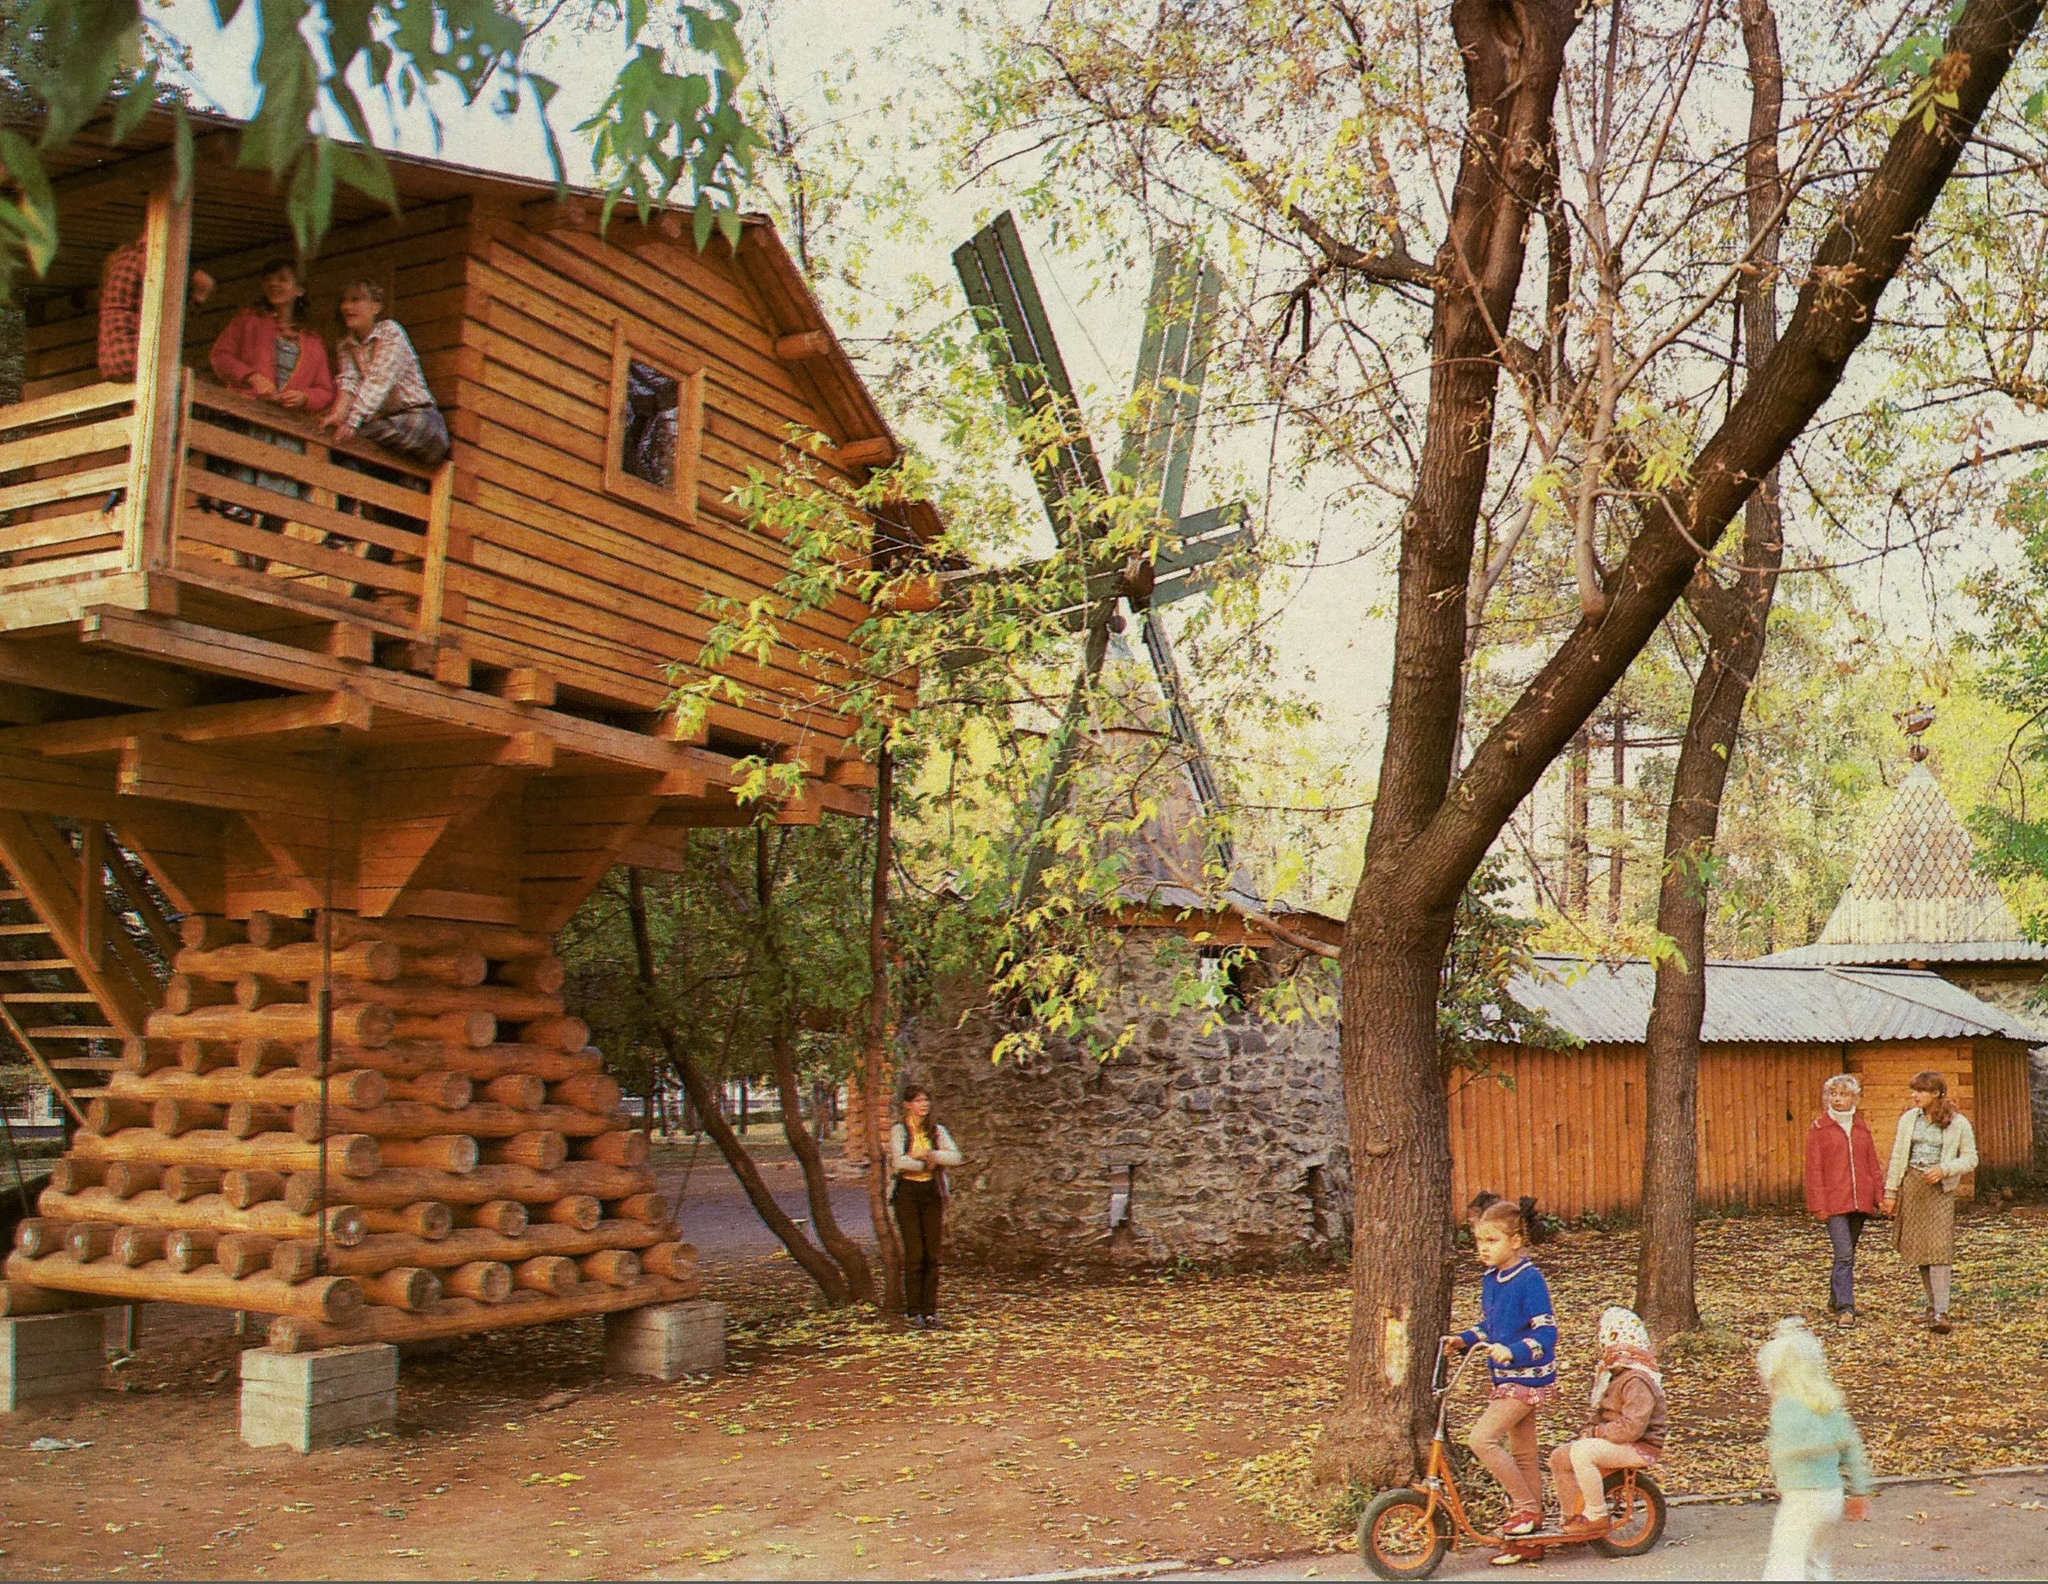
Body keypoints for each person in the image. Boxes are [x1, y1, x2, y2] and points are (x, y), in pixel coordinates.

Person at [1447, 1197, 1557, 1555]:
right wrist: (1463, 1340)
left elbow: (1546, 1333)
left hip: (1527, 1377)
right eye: (1479, 1242)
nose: (1484, 1249)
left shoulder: (1529, 1279)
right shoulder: (1491, 1280)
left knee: (1481, 1439)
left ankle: (1526, 1509)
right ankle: (1530, 1540)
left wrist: (1514, 1350)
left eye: (1492, 1241)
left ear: (1515, 1241)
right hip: (1505, 1378)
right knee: (1523, 1453)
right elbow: (1490, 1327)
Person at [206, 259, 335, 533]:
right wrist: (251, 377)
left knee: (278, 507)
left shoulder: (312, 341)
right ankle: (243, 566)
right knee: (240, 502)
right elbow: (220, 357)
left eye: (282, 278)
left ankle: (255, 570)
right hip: (250, 423)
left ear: (299, 289)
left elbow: (325, 391)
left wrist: (303, 398)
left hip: (286, 434)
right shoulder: (248, 320)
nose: (274, 284)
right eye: (268, 279)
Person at [1757, 1319, 1872, 1580]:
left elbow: (1794, 1446)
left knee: (1785, 1563)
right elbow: (1851, 1447)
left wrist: (1785, 1457)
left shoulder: (1787, 1406)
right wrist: (1859, 1491)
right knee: (1816, 1562)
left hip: (1802, 1496)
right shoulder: (1828, 1401)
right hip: (1831, 1495)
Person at [1546, 1306, 1667, 1539]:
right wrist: (1591, 1429)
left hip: (1639, 1446)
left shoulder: (1637, 1380)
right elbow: (1602, 1413)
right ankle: (1573, 1516)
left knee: (1583, 1453)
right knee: (1560, 1456)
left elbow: (1632, 1428)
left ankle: (1596, 1514)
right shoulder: (1615, 1376)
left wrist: (1596, 1433)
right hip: (1620, 1441)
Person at [1880, 1070, 1978, 1334]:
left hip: (1939, 1190)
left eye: (1920, 1091)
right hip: (1913, 1185)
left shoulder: (1957, 1122)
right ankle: (1933, 1307)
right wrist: (1890, 1192)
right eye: (1913, 1090)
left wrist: (1945, 1169)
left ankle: (1943, 1311)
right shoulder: (1908, 1119)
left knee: (1939, 1249)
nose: (1914, 1096)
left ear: (1935, 1093)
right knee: (1920, 1248)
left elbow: (1971, 1158)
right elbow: (1898, 1156)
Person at [321, 278, 449, 466]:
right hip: (385, 426)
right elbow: (349, 383)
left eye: (356, 300)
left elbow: (378, 382)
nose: (347, 307)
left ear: (376, 307)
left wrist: (351, 422)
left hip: (421, 422)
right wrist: (338, 415)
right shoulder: (346, 344)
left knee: (355, 435)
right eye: (344, 301)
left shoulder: (390, 332)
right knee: (345, 442)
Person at [1803, 1074, 1882, 1327]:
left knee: (1847, 1254)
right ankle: (1846, 1309)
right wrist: (1818, 1204)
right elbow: (1813, 1170)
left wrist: (1879, 1196)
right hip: (1834, 1202)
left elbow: (1872, 1165)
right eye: (1833, 1094)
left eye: (1843, 1094)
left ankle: (1835, 1299)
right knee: (1844, 1253)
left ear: (1854, 1097)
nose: (1838, 1099)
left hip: (1859, 1201)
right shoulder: (1819, 1128)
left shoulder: (1861, 1128)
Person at [97, 234, 216, 382]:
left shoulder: (122, 259)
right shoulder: (151, 261)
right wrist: (198, 297)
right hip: (136, 358)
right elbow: (168, 327)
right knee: (197, 383)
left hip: (110, 363)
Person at [890, 1085, 961, 1331]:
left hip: (931, 1193)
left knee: (932, 1254)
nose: (923, 1105)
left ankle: (930, 1311)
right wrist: (925, 1164)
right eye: (918, 1101)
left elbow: (954, 1156)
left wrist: (929, 1154)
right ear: (907, 1105)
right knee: (915, 1254)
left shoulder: (936, 1131)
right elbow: (899, 1162)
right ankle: (914, 1312)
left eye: (926, 1101)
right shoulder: (900, 1131)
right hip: (907, 1195)